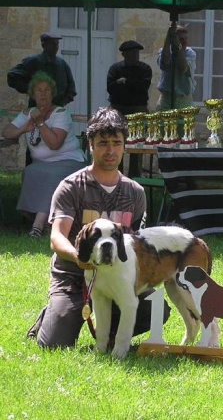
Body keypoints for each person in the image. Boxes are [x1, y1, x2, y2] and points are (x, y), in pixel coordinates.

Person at [26, 107, 170, 350]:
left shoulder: (135, 193)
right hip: (73, 275)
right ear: (90, 144)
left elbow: (135, 245)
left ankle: (108, 335)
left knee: (157, 308)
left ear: (125, 145)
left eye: (117, 142)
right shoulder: (71, 187)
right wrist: (79, 259)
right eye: (103, 143)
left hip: (116, 276)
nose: (111, 150)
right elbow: (57, 237)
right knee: (54, 343)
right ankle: (54, 315)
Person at [1, 71, 85, 238]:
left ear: (52, 93)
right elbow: (7, 131)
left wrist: (40, 123)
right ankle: (47, 221)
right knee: (30, 171)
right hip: (41, 164)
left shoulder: (61, 113)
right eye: (39, 90)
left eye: (47, 90)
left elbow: (55, 144)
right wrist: (23, 129)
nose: (43, 94)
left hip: (69, 160)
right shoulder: (27, 113)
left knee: (51, 175)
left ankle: (37, 226)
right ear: (33, 94)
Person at [107, 40, 153, 177]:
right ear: (124, 55)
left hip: (138, 109)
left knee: (137, 145)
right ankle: (117, 175)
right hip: (118, 109)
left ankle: (135, 177)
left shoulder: (144, 68)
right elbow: (111, 88)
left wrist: (125, 82)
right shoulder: (115, 69)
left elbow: (142, 88)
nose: (134, 56)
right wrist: (130, 86)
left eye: (136, 53)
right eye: (131, 53)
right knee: (117, 142)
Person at [7, 32, 77, 108]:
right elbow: (12, 76)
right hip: (36, 109)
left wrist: (61, 103)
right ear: (44, 45)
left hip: (56, 111)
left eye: (57, 44)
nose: (56, 47)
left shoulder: (62, 64)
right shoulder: (33, 61)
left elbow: (71, 89)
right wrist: (31, 90)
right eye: (52, 44)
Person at [156, 23, 196, 111]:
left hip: (184, 100)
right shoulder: (163, 51)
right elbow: (164, 63)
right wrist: (168, 39)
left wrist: (178, 47)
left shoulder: (190, 53)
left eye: (186, 38)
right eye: (181, 39)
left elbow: (184, 68)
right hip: (166, 99)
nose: (185, 41)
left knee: (185, 124)